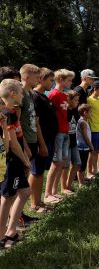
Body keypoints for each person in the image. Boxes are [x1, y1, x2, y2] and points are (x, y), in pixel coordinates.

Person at [0, 79, 31, 248]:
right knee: (8, 197)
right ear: (12, 94)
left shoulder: (10, 111)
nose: (23, 94)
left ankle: (10, 231)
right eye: (20, 91)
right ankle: (2, 236)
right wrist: (26, 160)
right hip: (11, 160)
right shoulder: (7, 112)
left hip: (13, 159)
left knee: (24, 191)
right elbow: (12, 143)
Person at [45, 69, 74, 204]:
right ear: (61, 80)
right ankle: (47, 193)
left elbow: (66, 113)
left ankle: (54, 191)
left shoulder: (64, 95)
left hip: (65, 131)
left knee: (61, 163)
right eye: (69, 80)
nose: (71, 82)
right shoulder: (53, 94)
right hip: (57, 133)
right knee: (55, 163)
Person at [31, 68, 58, 212]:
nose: (52, 83)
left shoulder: (44, 96)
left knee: (41, 172)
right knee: (36, 172)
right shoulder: (35, 97)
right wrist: (41, 144)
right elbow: (36, 123)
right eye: (50, 80)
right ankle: (34, 204)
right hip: (41, 140)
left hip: (49, 139)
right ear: (41, 79)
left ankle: (39, 201)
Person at [19, 65, 43, 211]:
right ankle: (15, 217)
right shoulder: (19, 93)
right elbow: (17, 123)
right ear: (27, 77)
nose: (39, 80)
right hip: (24, 142)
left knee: (25, 176)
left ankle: (20, 214)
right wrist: (25, 145)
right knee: (20, 180)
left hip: (32, 139)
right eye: (36, 77)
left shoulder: (30, 94)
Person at [87, 81, 99, 178]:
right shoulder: (89, 100)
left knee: (97, 151)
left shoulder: (98, 100)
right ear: (95, 89)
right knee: (92, 152)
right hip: (93, 130)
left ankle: (94, 170)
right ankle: (89, 172)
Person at [64, 90, 81, 193]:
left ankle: (69, 184)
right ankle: (64, 187)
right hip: (66, 140)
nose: (77, 102)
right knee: (65, 166)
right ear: (68, 100)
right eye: (75, 100)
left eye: (78, 100)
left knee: (77, 163)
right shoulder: (65, 111)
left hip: (74, 140)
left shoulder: (75, 110)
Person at [76, 104, 94, 187]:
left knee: (83, 165)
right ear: (85, 113)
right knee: (81, 166)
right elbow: (85, 136)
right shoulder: (82, 122)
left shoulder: (84, 121)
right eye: (90, 112)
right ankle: (81, 183)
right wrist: (91, 145)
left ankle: (82, 180)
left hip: (84, 147)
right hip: (82, 147)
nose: (91, 113)